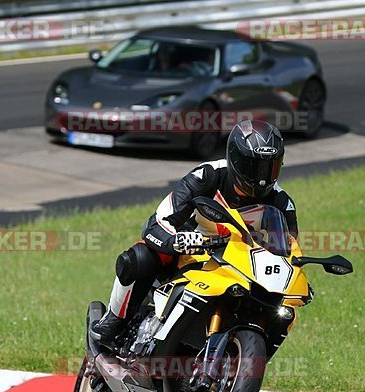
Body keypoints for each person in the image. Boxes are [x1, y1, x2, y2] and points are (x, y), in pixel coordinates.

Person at [90, 119, 298, 347]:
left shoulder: (282, 202)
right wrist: (176, 240)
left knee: (282, 306)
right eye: (253, 167)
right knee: (138, 257)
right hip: (189, 254)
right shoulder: (207, 176)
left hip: (241, 269)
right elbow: (156, 224)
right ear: (235, 159)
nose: (262, 177)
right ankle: (115, 319)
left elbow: (289, 251)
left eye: (270, 167)